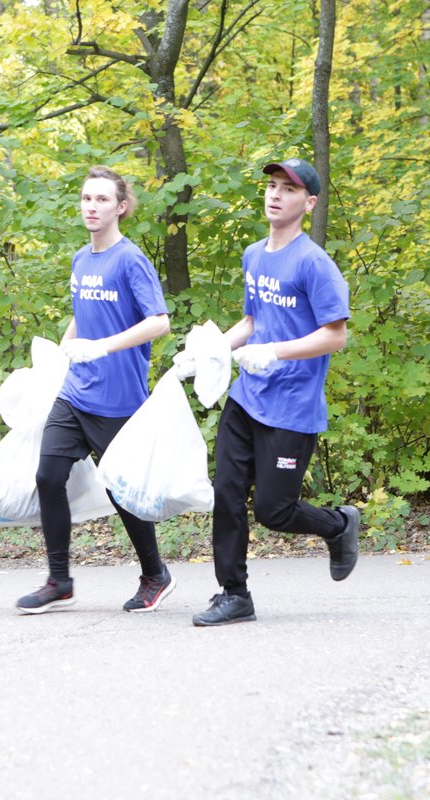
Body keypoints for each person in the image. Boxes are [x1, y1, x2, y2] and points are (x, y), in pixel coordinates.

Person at [177, 157, 360, 627]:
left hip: (292, 407)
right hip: (246, 396)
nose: (275, 194)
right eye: (272, 186)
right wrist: (211, 350)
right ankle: (234, 594)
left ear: (309, 202)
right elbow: (253, 321)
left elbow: (335, 335)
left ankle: (338, 525)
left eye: (288, 189)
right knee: (227, 492)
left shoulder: (315, 263)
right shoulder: (254, 255)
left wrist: (276, 353)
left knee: (275, 512)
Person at [16, 166, 177, 615]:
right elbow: (83, 314)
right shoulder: (80, 260)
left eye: (102, 199)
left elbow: (159, 322)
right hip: (75, 393)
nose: (92, 206)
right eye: (87, 198)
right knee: (48, 476)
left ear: (121, 207)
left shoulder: (130, 259)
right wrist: (67, 346)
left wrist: (102, 346)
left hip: (118, 399)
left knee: (123, 493)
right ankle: (59, 580)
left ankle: (155, 574)